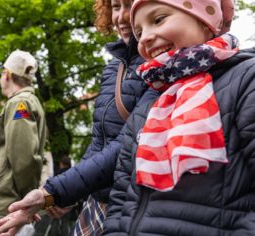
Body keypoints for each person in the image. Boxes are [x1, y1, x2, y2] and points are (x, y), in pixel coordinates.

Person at [0, 0, 151, 235]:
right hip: (96, 201)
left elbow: (24, 158)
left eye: (129, 5)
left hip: (134, 205)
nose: (120, 17)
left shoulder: (162, 65)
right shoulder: (114, 68)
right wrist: (70, 192)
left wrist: (50, 193)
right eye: (116, 6)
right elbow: (99, 142)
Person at [103, 0, 255, 235]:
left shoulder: (246, 81)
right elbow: (121, 200)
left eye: (158, 19)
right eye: (139, 32)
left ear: (204, 22)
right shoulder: (149, 108)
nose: (144, 38)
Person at [0, 49, 47, 218]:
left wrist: (27, 199)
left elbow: (24, 157)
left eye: (2, 72)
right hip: (10, 199)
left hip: (7, 202)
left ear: (8, 74)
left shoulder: (20, 103)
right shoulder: (26, 101)